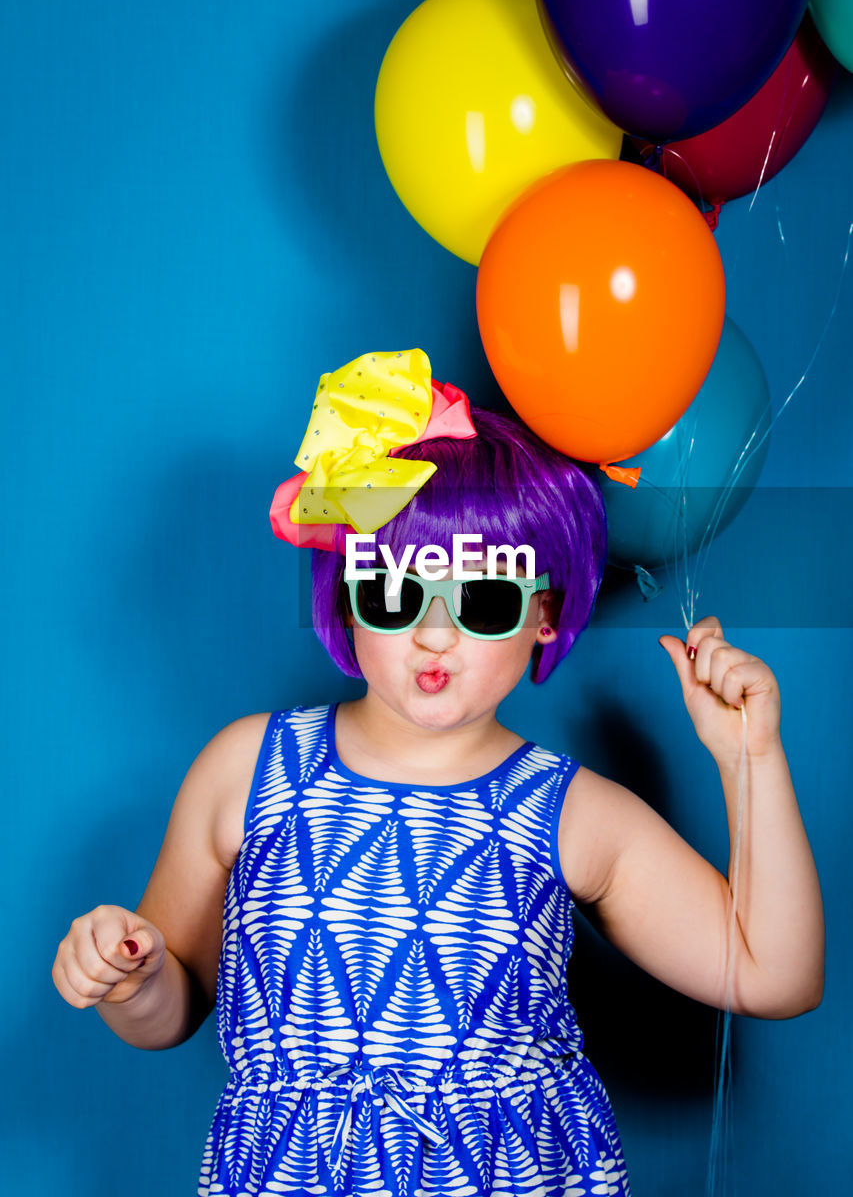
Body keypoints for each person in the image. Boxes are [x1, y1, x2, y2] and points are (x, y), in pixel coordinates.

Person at [52, 349, 824, 1197]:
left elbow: (772, 974)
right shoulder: (247, 770)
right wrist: (132, 975)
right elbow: (171, 1010)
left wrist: (749, 760)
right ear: (347, 594)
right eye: (395, 593)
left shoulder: (569, 813)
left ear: (543, 614)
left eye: (483, 601)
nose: (435, 634)